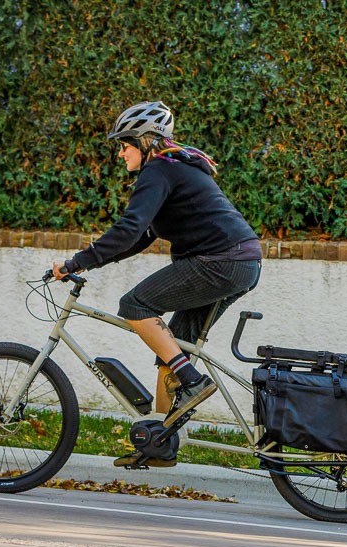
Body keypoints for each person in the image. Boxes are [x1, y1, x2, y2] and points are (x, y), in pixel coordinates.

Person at [53, 100, 261, 467]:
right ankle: (161, 444)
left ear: (146, 141)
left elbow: (128, 228)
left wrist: (76, 261)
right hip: (237, 262)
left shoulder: (159, 171)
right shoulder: (171, 169)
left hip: (221, 262)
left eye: (125, 144)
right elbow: (141, 237)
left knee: (135, 305)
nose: (120, 153)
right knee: (173, 350)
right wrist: (87, 265)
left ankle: (192, 381)